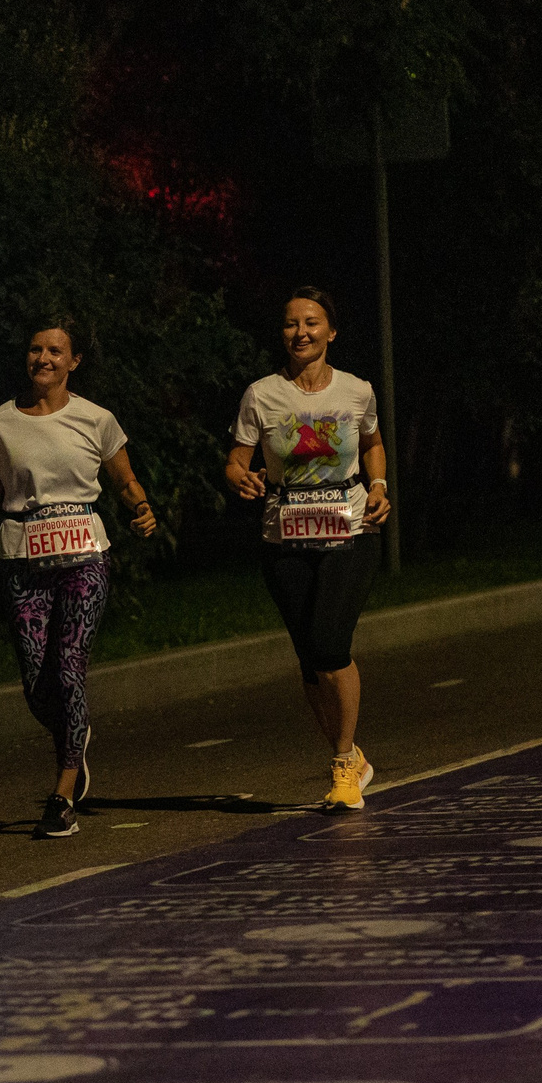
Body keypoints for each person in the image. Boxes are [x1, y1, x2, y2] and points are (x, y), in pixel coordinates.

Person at [0, 320, 157, 837]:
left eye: (55, 350)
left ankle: (61, 794)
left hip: (85, 554)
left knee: (69, 665)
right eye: (36, 349)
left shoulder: (95, 418)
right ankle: (74, 738)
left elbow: (124, 481)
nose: (43, 358)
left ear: (74, 361)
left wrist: (142, 508)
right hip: (21, 558)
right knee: (38, 683)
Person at [222, 287, 392, 810]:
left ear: (331, 331)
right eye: (291, 324)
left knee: (329, 645)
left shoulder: (357, 391)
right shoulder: (262, 395)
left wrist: (380, 486)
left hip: (350, 528)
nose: (301, 332)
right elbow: (236, 460)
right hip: (285, 532)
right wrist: (240, 479)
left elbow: (371, 445)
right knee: (309, 661)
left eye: (312, 323)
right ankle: (353, 759)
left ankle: (343, 763)